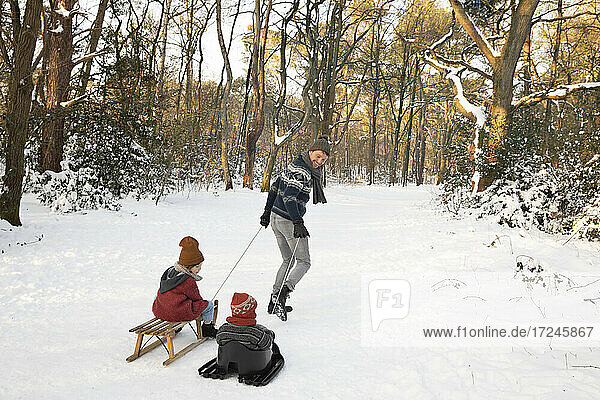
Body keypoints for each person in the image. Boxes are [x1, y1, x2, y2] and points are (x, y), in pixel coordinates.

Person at [260, 136, 330, 320]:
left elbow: (275, 188)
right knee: (304, 262)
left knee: (287, 260)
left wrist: (268, 213)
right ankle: (282, 295)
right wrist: (298, 222)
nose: (319, 161)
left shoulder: (294, 164)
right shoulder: (303, 171)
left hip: (276, 218)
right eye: (317, 156)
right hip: (288, 220)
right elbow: (289, 197)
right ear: (311, 151)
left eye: (323, 159)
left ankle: (273, 300)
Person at [152, 236, 217, 338]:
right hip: (176, 313)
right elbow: (196, 298)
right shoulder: (187, 280)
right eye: (197, 266)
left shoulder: (169, 271)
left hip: (160, 310)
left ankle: (176, 325)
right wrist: (201, 305)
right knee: (208, 305)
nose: (199, 269)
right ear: (188, 266)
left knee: (166, 297)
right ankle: (207, 329)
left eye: (200, 266)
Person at [216, 292, 281, 355]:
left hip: (227, 361)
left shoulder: (222, 330)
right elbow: (267, 344)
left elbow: (218, 340)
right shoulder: (255, 333)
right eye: (253, 311)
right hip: (252, 362)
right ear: (248, 313)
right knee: (269, 338)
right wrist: (270, 334)